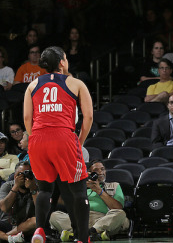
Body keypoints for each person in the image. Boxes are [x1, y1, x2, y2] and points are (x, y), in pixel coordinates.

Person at [23, 46, 93, 243]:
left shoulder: (32, 85)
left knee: (44, 190)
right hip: (63, 137)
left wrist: (35, 138)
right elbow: (88, 118)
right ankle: (82, 238)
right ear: (62, 62)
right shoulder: (76, 83)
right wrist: (78, 142)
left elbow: (28, 117)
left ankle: (39, 230)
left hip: (37, 138)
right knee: (79, 191)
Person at [49, 160, 129, 241]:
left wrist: (99, 190)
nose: (100, 172)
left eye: (102, 169)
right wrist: (79, 183)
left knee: (120, 213)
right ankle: (95, 234)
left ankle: (84, 233)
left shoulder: (114, 185)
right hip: (80, 220)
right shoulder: (79, 187)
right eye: (96, 170)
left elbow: (117, 207)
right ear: (89, 173)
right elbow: (63, 201)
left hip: (103, 219)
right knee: (54, 215)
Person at [0, 161, 38, 243]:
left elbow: (41, 211)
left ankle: (4, 237)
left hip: (25, 227)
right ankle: (9, 238)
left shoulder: (35, 186)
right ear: (15, 176)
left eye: (27, 173)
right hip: (7, 224)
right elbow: (4, 208)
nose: (24, 177)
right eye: (21, 174)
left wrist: (33, 189)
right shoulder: (7, 186)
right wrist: (16, 186)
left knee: (37, 220)